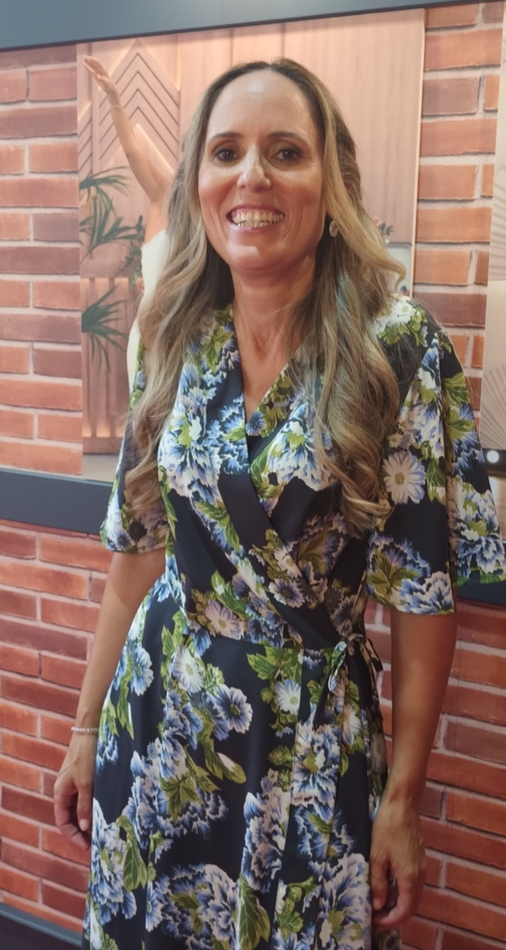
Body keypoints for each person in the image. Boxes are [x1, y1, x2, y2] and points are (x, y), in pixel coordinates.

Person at [54, 59, 506, 950]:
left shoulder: (395, 347)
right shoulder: (173, 332)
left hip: (307, 740)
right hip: (157, 721)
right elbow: (138, 552)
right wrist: (81, 725)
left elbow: (421, 596)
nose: (251, 176)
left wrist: (403, 800)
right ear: (197, 184)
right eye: (226, 152)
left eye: (285, 152)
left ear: (330, 185)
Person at [83, 55, 172, 388]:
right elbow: (133, 151)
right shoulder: (162, 196)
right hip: (147, 334)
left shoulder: (214, 222)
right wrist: (114, 99)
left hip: (188, 337)